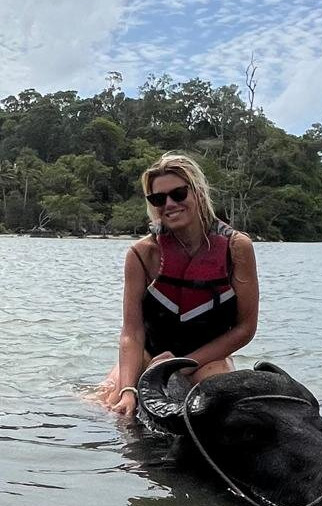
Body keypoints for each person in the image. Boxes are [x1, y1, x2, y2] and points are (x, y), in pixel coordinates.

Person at [94, 152, 259, 418]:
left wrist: (185, 364)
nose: (169, 204)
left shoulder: (237, 247)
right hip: (149, 356)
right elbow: (131, 333)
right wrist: (127, 391)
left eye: (179, 194)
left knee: (221, 408)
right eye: (158, 199)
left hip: (208, 360)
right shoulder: (141, 254)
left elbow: (245, 328)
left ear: (198, 192)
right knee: (109, 406)